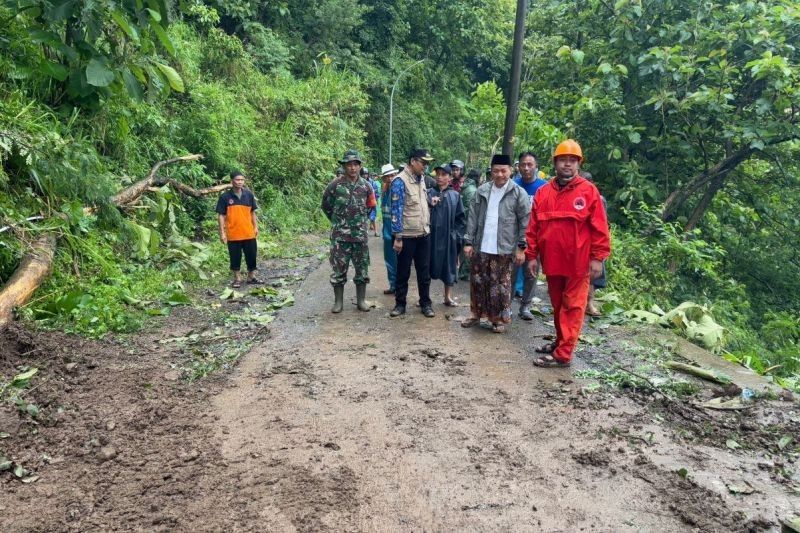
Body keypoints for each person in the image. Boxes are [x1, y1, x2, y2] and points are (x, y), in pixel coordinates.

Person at [526, 140, 611, 367]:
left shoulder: (589, 191)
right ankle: (561, 341)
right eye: (563, 160)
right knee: (558, 305)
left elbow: (600, 228)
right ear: (555, 163)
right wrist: (532, 255)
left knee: (573, 308)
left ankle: (563, 355)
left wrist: (597, 258)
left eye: (572, 161)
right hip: (552, 263)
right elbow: (533, 228)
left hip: (579, 264)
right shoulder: (543, 193)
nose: (567, 164)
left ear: (578, 164)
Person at [461, 154, 530, 333]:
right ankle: (476, 314)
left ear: (511, 171)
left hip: (504, 248)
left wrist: (521, 248)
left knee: (501, 285)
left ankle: (498, 319)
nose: (499, 174)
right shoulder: (482, 190)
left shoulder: (518, 193)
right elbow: (473, 217)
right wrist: (468, 241)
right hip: (481, 245)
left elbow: (525, 222)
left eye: (503, 170)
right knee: (477, 282)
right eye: (495, 171)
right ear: (491, 171)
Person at [321, 149, 377, 313]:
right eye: (349, 165)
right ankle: (338, 302)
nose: (352, 168)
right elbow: (326, 205)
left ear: (360, 166)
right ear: (344, 166)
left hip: (360, 237)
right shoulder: (335, 185)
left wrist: (359, 222)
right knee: (339, 270)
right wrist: (337, 221)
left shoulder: (366, 186)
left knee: (362, 270)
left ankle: (361, 301)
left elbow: (370, 206)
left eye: (355, 164)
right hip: (340, 237)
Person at [389, 148, 435, 318]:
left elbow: (419, 203)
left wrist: (431, 203)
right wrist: (398, 237)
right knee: (403, 272)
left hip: (423, 234)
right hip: (407, 237)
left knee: (424, 272)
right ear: (413, 161)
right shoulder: (400, 181)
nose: (426, 166)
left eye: (427, 163)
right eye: (423, 163)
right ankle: (400, 304)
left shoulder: (421, 178)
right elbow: (396, 210)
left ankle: (426, 304)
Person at [511, 151, 548, 320]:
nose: (526, 168)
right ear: (518, 166)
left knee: (531, 272)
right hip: (513, 237)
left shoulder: (544, 187)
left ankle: (525, 306)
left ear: (536, 166)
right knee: (510, 272)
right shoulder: (512, 185)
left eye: (530, 164)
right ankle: (507, 305)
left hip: (535, 238)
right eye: (523, 164)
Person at [428, 164, 466, 306]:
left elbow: (460, 219)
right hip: (430, 237)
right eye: (438, 173)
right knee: (426, 266)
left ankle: (447, 297)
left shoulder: (455, 196)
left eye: (444, 174)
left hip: (448, 238)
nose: (439, 177)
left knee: (448, 267)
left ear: (450, 178)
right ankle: (425, 297)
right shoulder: (429, 192)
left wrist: (456, 236)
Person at [216, 170, 261, 288]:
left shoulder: (249, 195)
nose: (240, 182)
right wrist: (222, 233)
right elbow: (221, 215)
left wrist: (255, 227)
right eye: (237, 180)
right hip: (233, 233)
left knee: (251, 255)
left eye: (242, 180)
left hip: (248, 232)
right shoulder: (225, 197)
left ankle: (251, 276)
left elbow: (252, 212)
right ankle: (237, 278)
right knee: (235, 256)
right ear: (232, 181)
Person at [379, 163, 399, 294]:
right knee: (389, 260)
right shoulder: (385, 191)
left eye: (392, 175)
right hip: (386, 232)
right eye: (388, 176)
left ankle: (399, 286)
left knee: (399, 261)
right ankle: (393, 285)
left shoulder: (398, 190)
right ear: (384, 178)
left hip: (396, 232)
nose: (390, 178)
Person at [457, 168, 480, 281]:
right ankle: (464, 272)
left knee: (465, 247)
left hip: (464, 222)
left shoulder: (466, 187)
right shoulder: (472, 190)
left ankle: (463, 271)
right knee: (468, 246)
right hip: (467, 223)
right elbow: (471, 210)